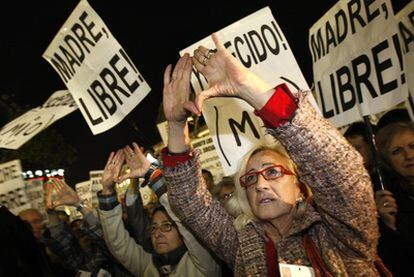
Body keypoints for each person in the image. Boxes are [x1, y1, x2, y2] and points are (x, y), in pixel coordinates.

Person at [161, 33, 386, 276]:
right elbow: (191, 203)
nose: (260, 185)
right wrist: (175, 126)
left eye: (272, 172)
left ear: (299, 186)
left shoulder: (339, 231)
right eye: (250, 178)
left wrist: (249, 89)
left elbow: (341, 173)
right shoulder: (241, 245)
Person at [97, 146, 221, 276]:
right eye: (153, 228)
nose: (158, 234)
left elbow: (182, 217)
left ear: (183, 231)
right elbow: (118, 244)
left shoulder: (205, 265)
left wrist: (152, 175)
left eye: (166, 226)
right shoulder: (148, 267)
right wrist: (108, 191)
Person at [375, 121, 414, 276]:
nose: (409, 155)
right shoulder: (389, 204)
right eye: (397, 151)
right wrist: (388, 227)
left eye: (413, 146)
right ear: (387, 161)